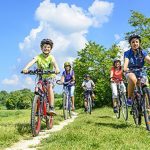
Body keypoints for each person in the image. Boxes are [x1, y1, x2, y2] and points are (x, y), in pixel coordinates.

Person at [22, 38, 60, 114]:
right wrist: (26, 68)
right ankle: (36, 109)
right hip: (41, 77)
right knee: (38, 89)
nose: (46, 48)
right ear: (41, 48)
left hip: (50, 77)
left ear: (51, 49)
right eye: (45, 47)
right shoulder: (38, 57)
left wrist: (57, 69)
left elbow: (55, 64)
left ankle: (51, 107)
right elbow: (32, 62)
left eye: (48, 47)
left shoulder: (51, 57)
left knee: (49, 87)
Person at [124, 34, 150, 106]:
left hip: (141, 72)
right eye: (133, 42)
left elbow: (148, 59)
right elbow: (126, 61)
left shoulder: (143, 52)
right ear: (130, 44)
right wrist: (125, 68)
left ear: (139, 43)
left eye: (136, 42)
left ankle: (146, 108)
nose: (135, 43)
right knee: (133, 79)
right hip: (130, 71)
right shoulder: (127, 53)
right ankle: (129, 98)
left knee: (145, 86)